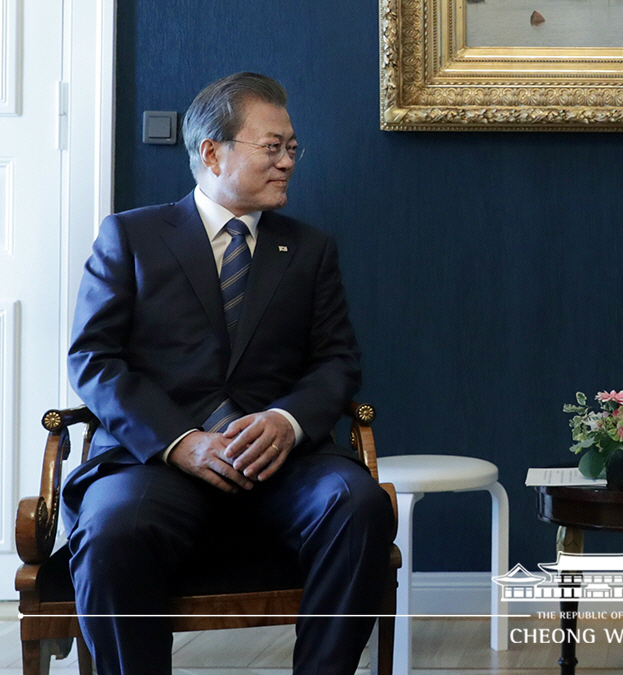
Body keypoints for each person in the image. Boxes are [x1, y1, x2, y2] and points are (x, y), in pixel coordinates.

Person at [65, 72, 395, 675]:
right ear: (212, 152)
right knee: (113, 530)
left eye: (292, 147)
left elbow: (337, 361)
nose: (288, 161)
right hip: (158, 460)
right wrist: (180, 441)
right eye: (272, 147)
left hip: (283, 461)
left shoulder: (311, 249)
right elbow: (93, 359)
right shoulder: (131, 236)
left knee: (358, 504)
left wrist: (287, 420)